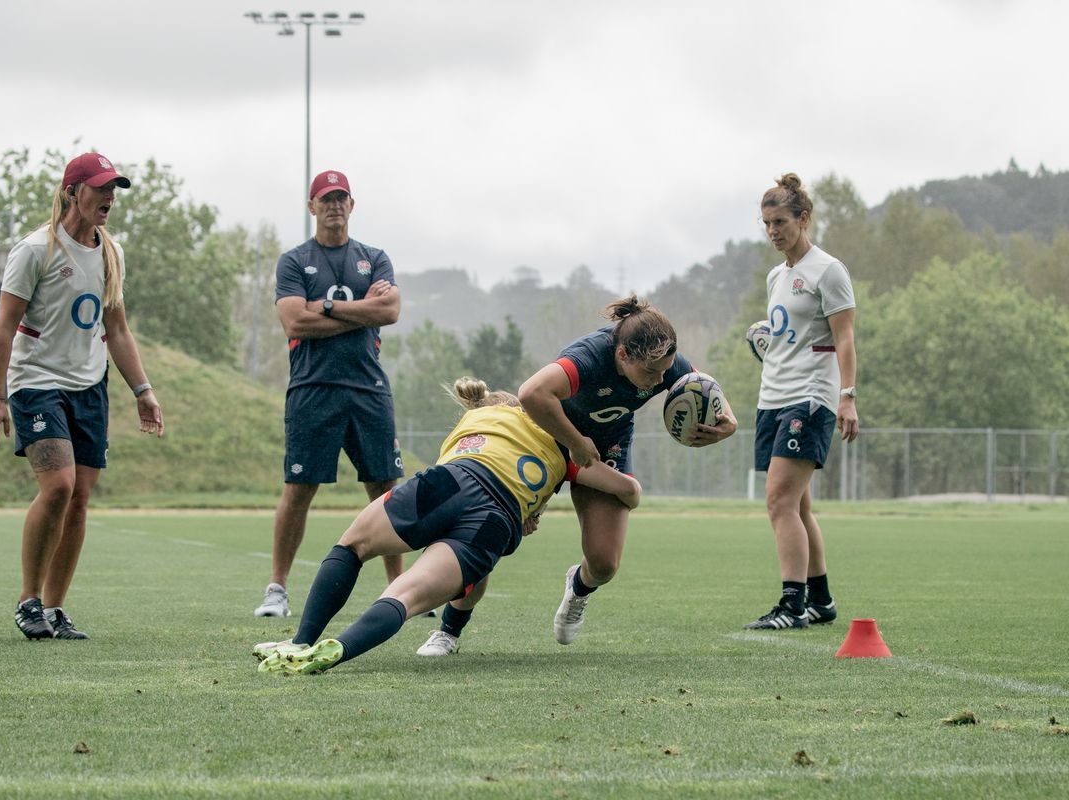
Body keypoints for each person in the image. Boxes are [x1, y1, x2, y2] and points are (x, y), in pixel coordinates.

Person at [415, 297, 738, 657]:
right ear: (622, 356)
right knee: (482, 535)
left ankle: (578, 587)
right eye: (652, 374)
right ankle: (447, 632)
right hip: (544, 441)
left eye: (665, 371)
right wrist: (575, 443)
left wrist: (728, 421)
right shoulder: (588, 357)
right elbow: (531, 393)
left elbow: (702, 386)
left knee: (604, 563)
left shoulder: (662, 362)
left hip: (607, 444)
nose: (662, 380)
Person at [254, 377, 641, 675]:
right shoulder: (561, 443)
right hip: (495, 518)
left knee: (352, 547)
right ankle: (341, 649)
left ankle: (301, 641)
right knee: (406, 598)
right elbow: (627, 490)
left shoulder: (472, 421)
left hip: (447, 483)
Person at [0, 152, 164, 641]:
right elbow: (2, 329)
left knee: (79, 497)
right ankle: (28, 600)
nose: (109, 198)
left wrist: (142, 390)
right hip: (36, 380)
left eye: (114, 190)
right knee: (58, 486)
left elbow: (117, 330)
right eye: (100, 188)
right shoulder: (35, 250)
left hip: (89, 385)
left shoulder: (110, 253)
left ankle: (55, 610)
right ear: (71, 192)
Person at [255, 169, 407, 620]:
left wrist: (324, 305)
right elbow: (294, 323)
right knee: (299, 488)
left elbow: (391, 310)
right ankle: (277, 589)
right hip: (312, 389)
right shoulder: (294, 261)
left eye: (341, 198)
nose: (334, 205)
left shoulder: (374, 258)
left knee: (384, 489)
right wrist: (361, 311)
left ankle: (399, 588)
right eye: (326, 199)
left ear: (352, 205)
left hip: (367, 388)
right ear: (312, 207)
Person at [744, 173, 858, 630]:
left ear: (804, 219)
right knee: (798, 505)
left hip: (809, 398)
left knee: (778, 501)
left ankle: (792, 605)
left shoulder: (828, 270)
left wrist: (847, 397)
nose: (773, 231)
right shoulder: (778, 275)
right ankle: (821, 600)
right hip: (772, 396)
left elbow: (844, 337)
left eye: (780, 222)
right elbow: (790, 333)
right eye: (766, 223)